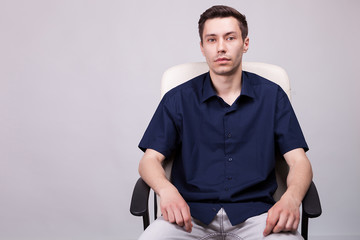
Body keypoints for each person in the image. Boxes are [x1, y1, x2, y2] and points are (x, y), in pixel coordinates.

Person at [137, 5, 312, 240]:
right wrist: (166, 190)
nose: (221, 47)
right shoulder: (178, 99)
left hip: (258, 216)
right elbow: (149, 160)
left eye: (230, 38)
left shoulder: (272, 96)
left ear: (245, 43)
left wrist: (291, 198)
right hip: (189, 216)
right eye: (211, 40)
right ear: (202, 47)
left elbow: (299, 161)